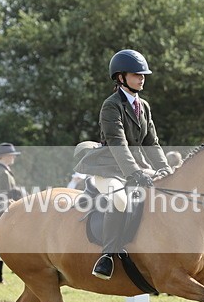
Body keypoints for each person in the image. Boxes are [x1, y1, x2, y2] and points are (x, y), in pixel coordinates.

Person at [74, 49, 172, 280]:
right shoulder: (111, 106)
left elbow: (152, 143)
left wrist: (165, 168)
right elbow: (118, 145)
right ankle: (107, 255)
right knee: (120, 199)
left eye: (143, 74)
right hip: (108, 169)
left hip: (134, 167)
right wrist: (136, 172)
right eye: (136, 74)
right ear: (120, 77)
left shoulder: (143, 106)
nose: (142, 78)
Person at [0, 142, 22, 284]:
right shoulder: (2, 172)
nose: (13, 157)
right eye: (11, 155)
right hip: (3, 210)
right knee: (1, 243)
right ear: (4, 156)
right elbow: (5, 195)